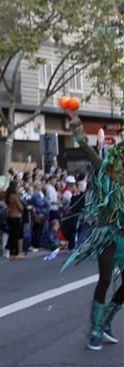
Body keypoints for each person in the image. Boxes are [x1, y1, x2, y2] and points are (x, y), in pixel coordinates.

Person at [62, 111, 124, 350]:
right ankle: (95, 329)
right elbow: (87, 149)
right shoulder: (106, 170)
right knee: (106, 279)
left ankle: (106, 321)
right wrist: (77, 125)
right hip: (108, 234)